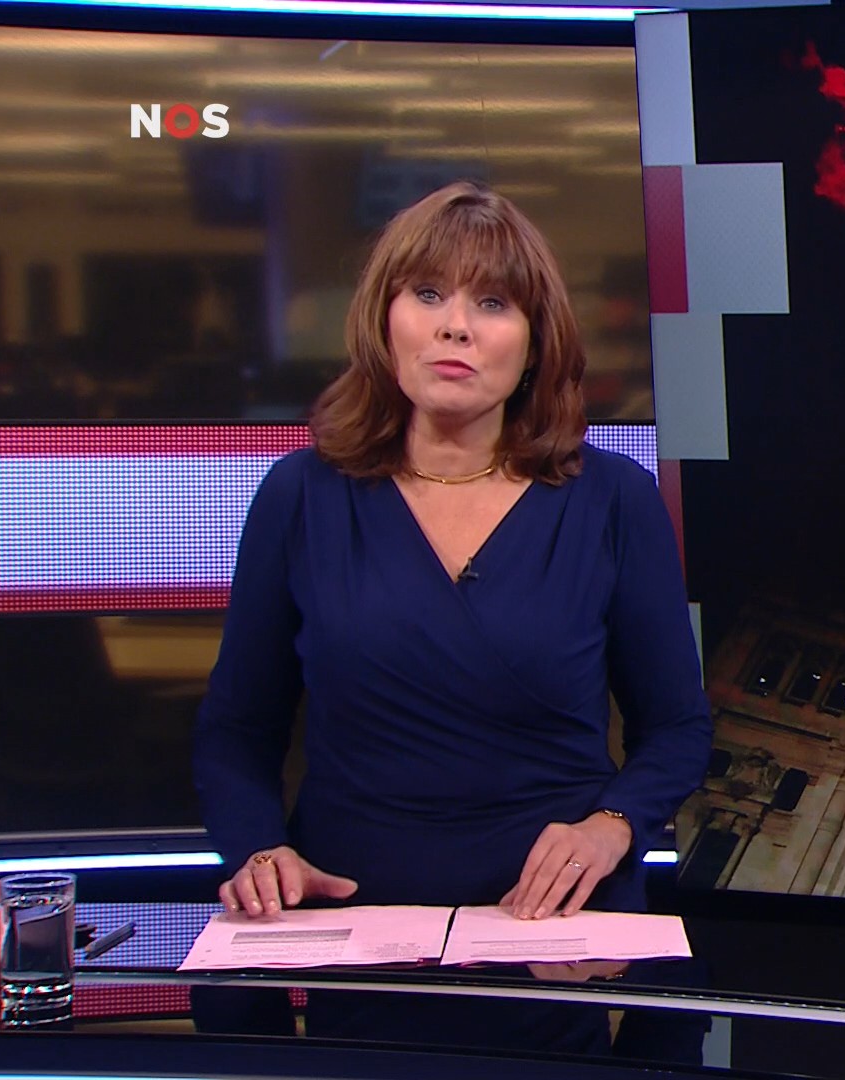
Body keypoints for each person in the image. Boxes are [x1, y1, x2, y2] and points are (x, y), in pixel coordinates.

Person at [193, 181, 712, 1056]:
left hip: (553, 930)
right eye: (428, 294)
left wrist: (611, 826)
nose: (455, 327)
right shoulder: (301, 494)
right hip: (353, 923)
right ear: (383, 318)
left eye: (493, 303)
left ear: (536, 340)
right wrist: (256, 850)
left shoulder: (613, 500)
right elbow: (236, 728)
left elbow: (677, 728)